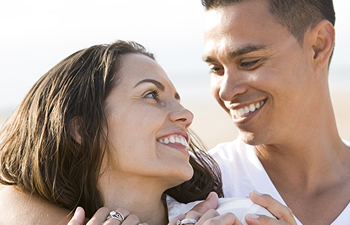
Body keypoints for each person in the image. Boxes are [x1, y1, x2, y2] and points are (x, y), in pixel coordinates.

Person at [0, 40, 295, 225]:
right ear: (81, 128)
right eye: (151, 95)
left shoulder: (238, 218)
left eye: (178, 98)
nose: (186, 115)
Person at [196, 0, 350, 224]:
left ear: (319, 45)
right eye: (216, 69)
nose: (226, 91)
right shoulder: (193, 188)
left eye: (249, 62)